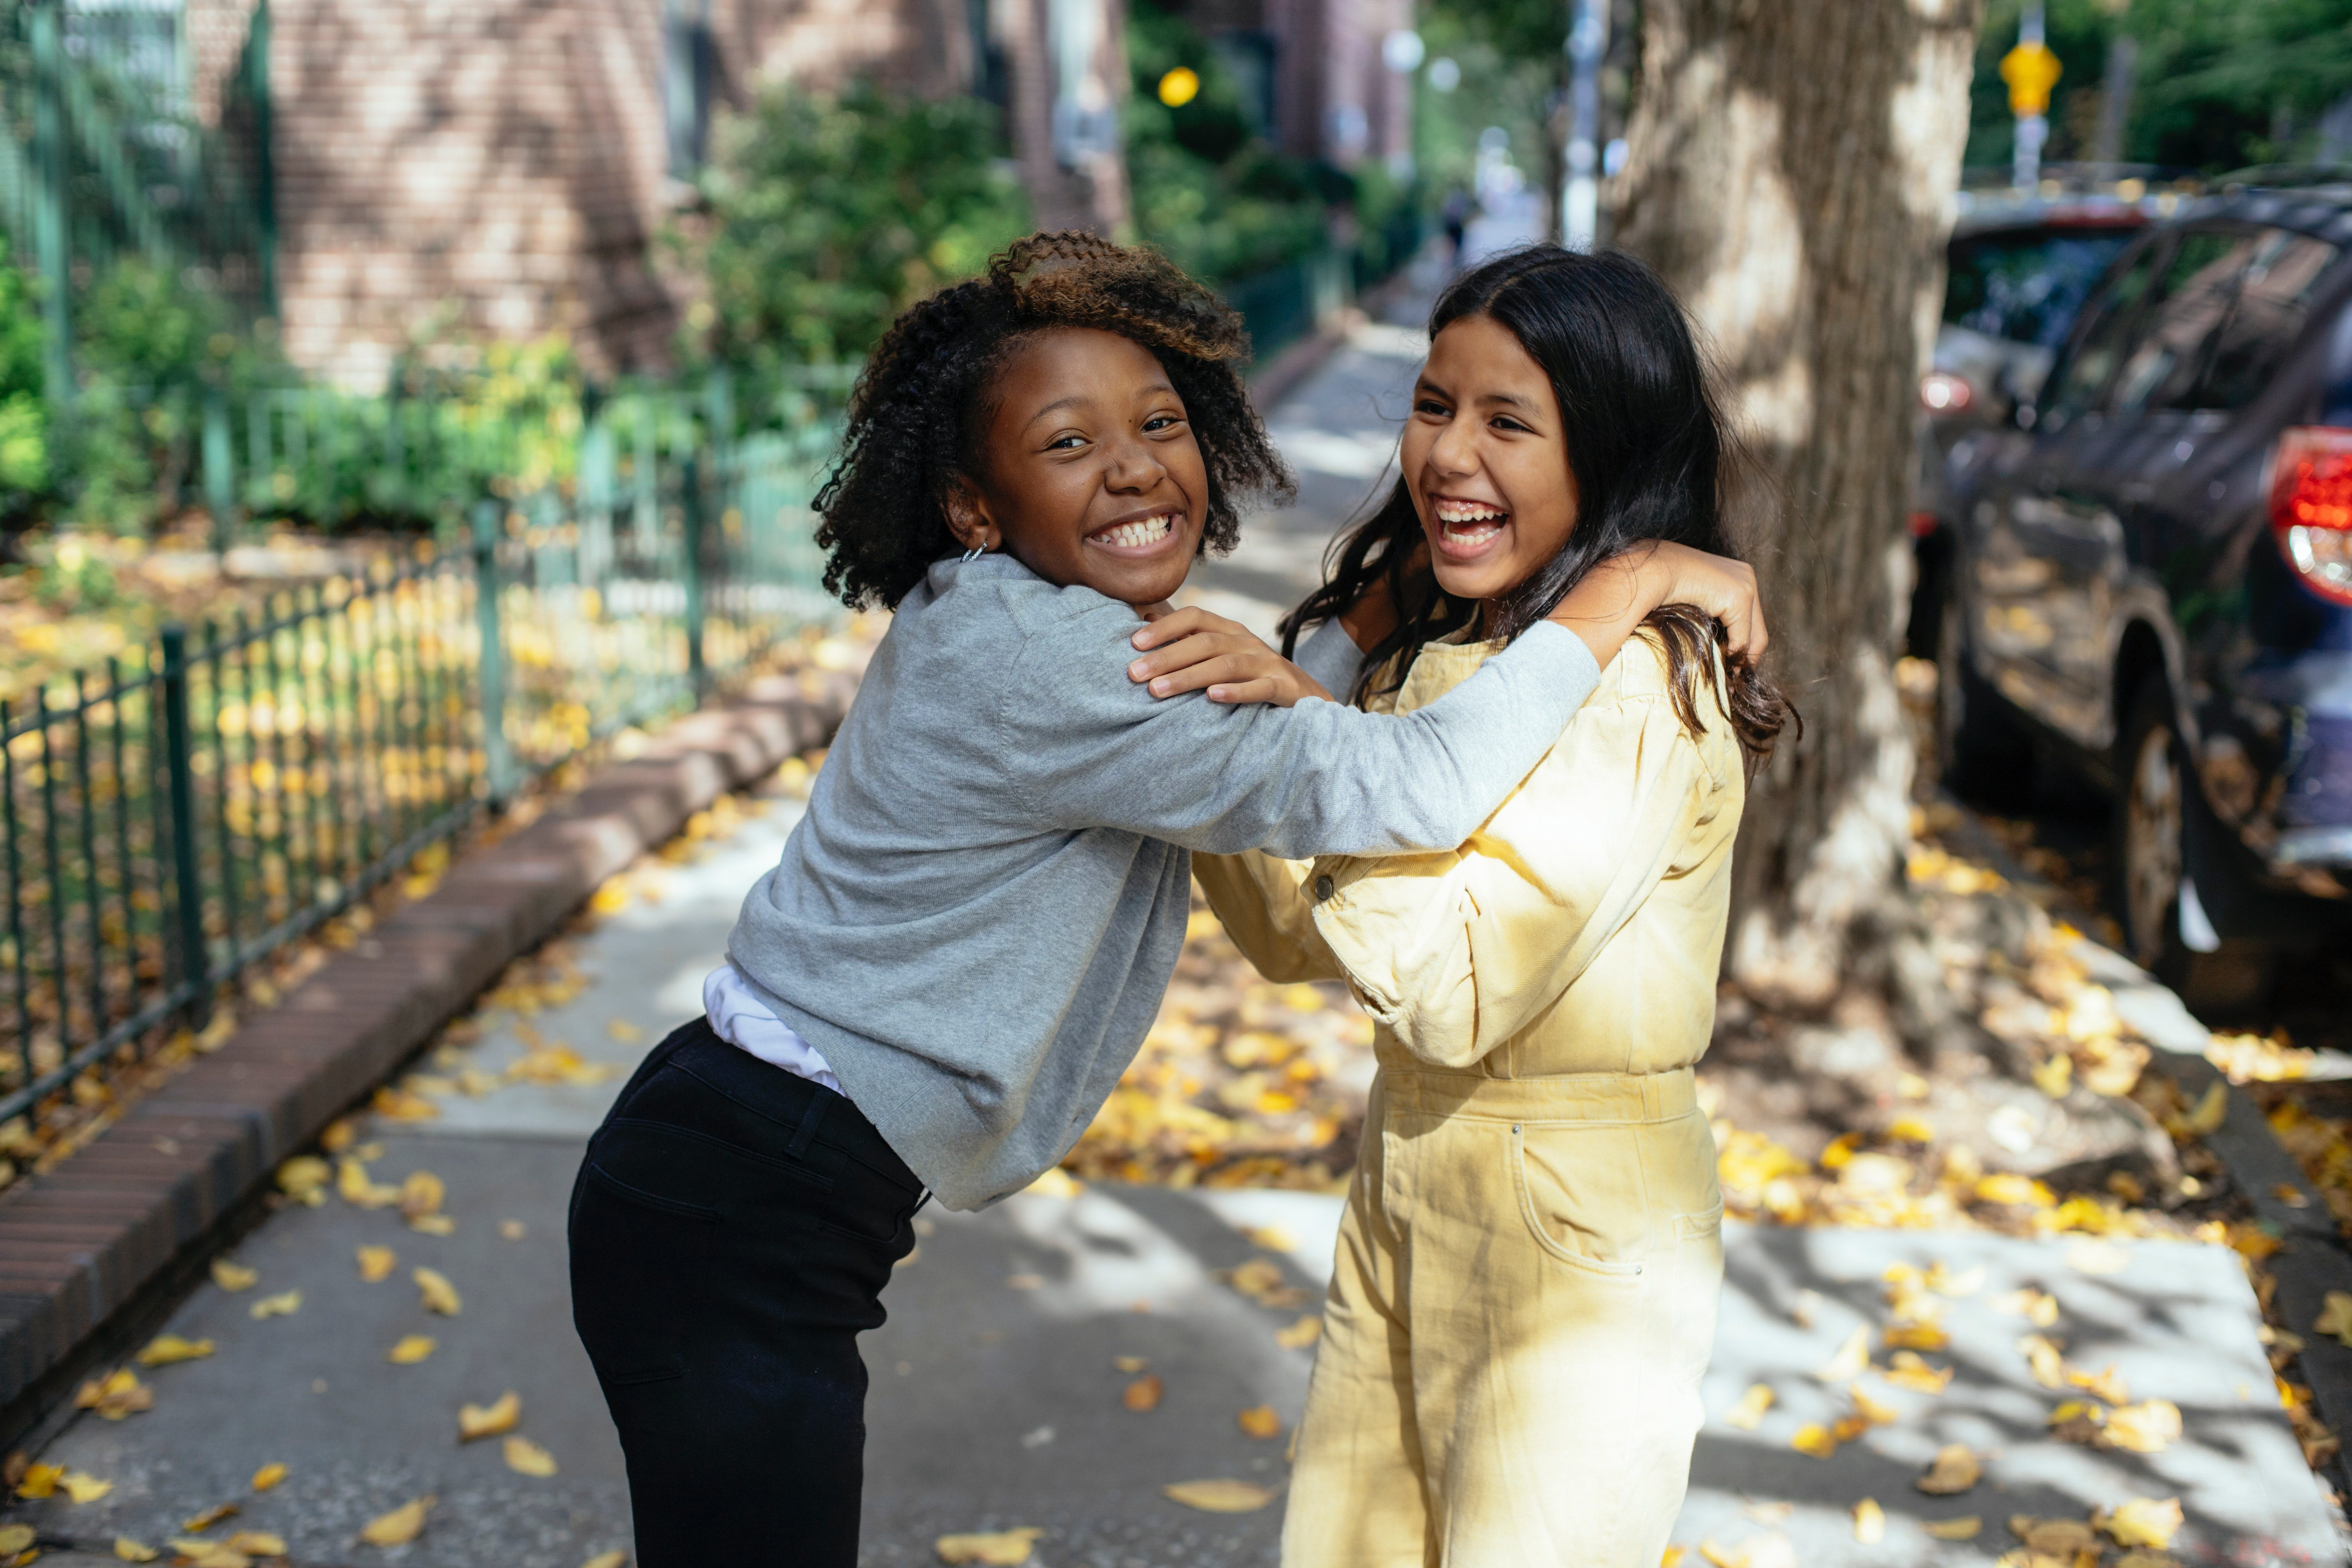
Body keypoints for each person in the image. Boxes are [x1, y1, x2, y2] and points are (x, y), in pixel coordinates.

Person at [566, 232, 1768, 1568]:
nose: (1134, 466)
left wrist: (1363, 633)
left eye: (1158, 422)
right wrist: (1624, 581)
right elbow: (1389, 792)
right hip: (746, 1207)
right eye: (1066, 443)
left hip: (737, 1176)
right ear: (974, 505)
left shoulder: (1020, 619)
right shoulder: (1069, 664)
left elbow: (1297, 777)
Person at [1181, 244, 1792, 1568]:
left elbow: (1453, 991)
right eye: (1434, 405)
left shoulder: (1638, 683)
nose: (1448, 454)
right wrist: (1341, 648)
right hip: (1409, 1157)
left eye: (1509, 421)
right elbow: (1286, 931)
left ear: (1607, 453)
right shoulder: (1460, 653)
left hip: (1569, 1212)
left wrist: (1329, 743)